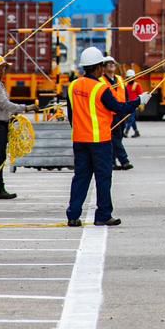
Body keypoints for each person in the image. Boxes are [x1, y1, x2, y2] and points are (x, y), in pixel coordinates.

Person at [65, 47, 148, 227]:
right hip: (99, 141)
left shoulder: (73, 86)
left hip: (79, 140)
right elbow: (119, 108)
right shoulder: (101, 88)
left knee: (80, 177)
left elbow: (71, 114)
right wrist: (139, 101)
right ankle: (103, 214)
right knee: (103, 178)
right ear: (98, 68)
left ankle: (73, 215)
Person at [0, 55, 35, 201]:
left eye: (4, 67)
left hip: (1, 125)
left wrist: (10, 116)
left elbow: (3, 107)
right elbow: (5, 104)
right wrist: (26, 108)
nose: (3, 70)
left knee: (0, 157)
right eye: (1, 68)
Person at [103, 56, 133, 170]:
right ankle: (124, 160)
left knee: (118, 138)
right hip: (109, 114)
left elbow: (125, 95)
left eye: (113, 63)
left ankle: (112, 162)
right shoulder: (101, 81)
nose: (111, 65)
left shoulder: (120, 79)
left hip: (121, 113)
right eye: (108, 63)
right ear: (104, 67)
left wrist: (128, 109)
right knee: (114, 138)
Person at [124, 70, 143, 138]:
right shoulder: (125, 85)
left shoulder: (137, 85)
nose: (130, 79)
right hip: (127, 104)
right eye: (128, 77)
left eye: (131, 77)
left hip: (134, 105)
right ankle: (136, 131)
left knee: (130, 119)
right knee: (132, 119)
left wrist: (140, 105)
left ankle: (126, 132)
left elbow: (140, 95)